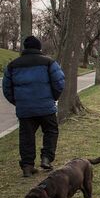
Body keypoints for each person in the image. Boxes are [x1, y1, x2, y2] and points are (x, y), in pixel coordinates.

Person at [2, 36, 65, 177]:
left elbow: (6, 88)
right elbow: (59, 82)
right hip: (46, 107)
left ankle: (27, 165)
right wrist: (53, 98)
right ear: (39, 47)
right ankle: (46, 158)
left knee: (26, 137)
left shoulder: (13, 65)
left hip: (25, 109)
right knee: (51, 131)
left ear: (25, 48)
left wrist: (18, 102)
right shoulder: (49, 62)